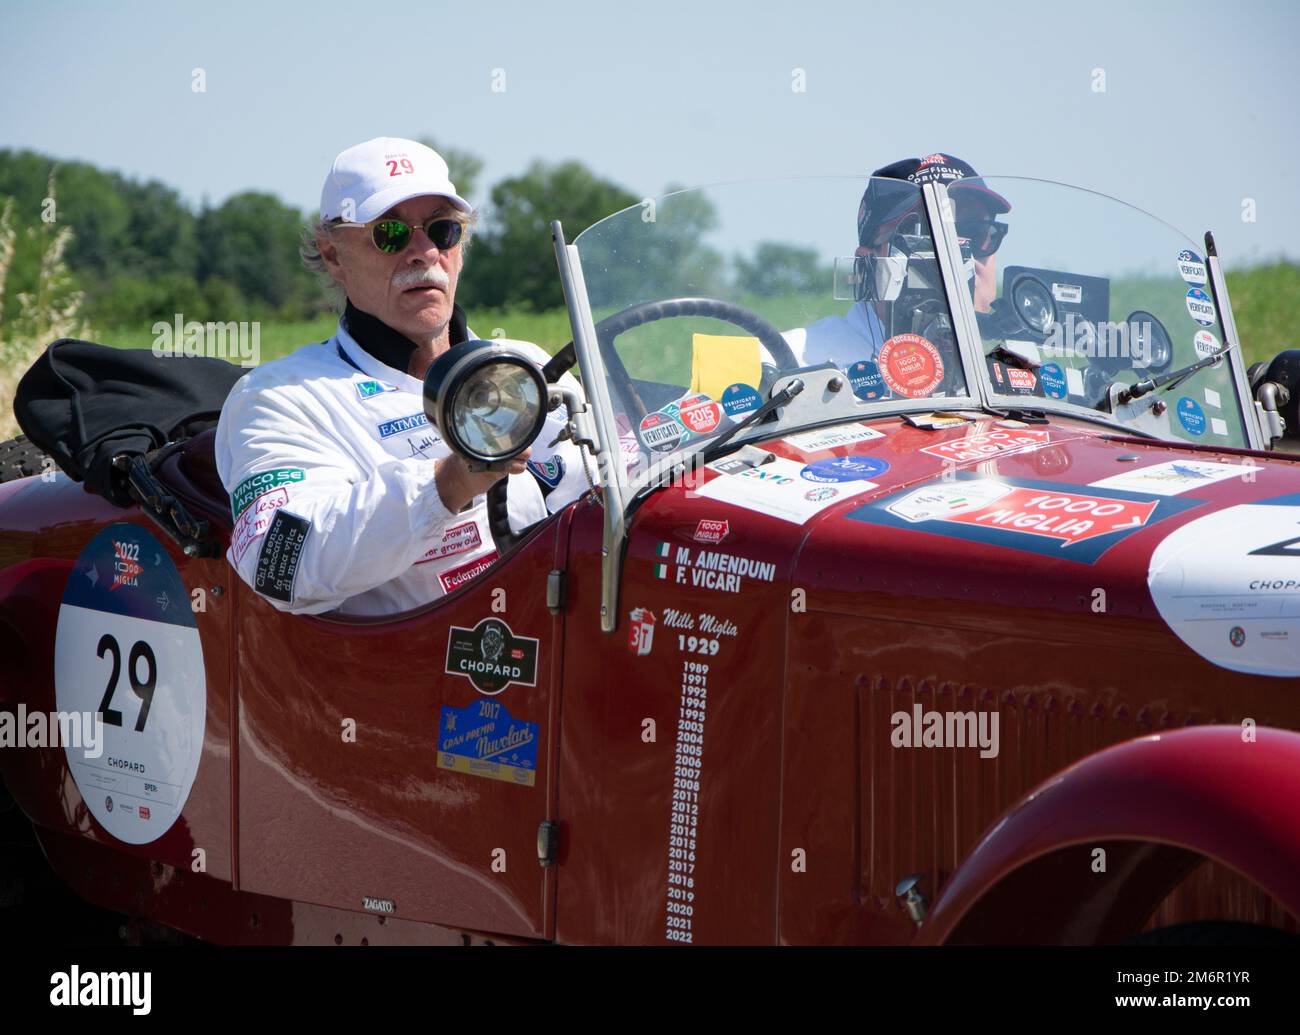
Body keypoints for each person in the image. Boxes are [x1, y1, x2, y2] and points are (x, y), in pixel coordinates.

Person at [215, 137, 587, 617]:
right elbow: (279, 566)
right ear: (332, 255)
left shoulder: (530, 363)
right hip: (433, 672)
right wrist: (446, 484)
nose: (423, 252)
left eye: (442, 229)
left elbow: (609, 483)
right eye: (390, 233)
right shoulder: (278, 398)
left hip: (570, 637)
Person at [785, 153, 1011, 372]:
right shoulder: (793, 363)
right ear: (867, 262)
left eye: (976, 233)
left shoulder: (1025, 374)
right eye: (924, 238)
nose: (959, 256)